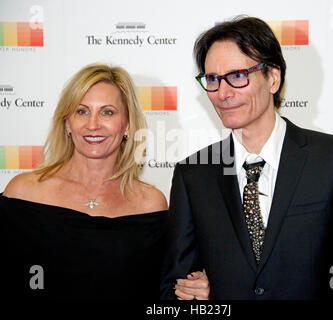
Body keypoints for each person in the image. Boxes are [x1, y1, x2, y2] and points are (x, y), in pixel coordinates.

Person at [161, 16, 333, 300]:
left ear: (273, 77)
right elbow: (174, 289)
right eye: (212, 79)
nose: (223, 93)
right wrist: (194, 297)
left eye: (238, 76)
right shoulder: (193, 174)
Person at [0, 63, 209, 300]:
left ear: (128, 125)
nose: (93, 124)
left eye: (107, 112)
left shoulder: (151, 204)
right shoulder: (23, 192)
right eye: (82, 111)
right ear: (67, 122)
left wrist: (197, 288)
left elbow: (167, 289)